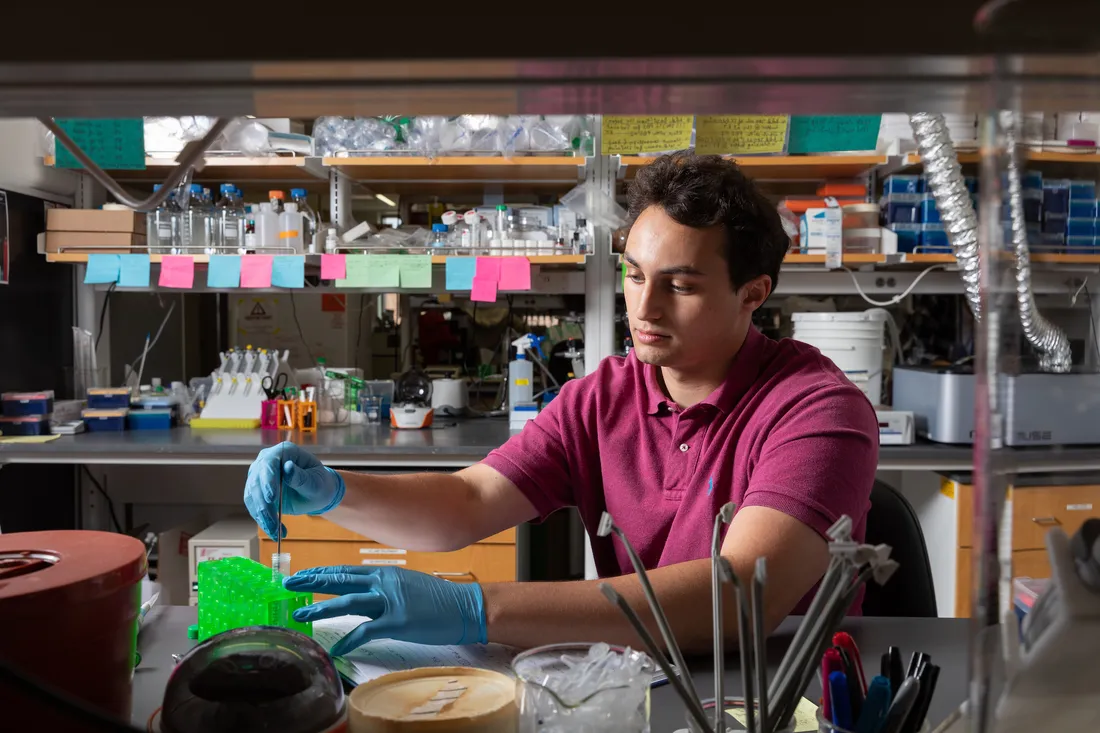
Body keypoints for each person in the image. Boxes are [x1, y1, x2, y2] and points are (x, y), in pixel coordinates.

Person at [244, 152, 878, 657]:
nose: (645, 307)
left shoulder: (817, 409)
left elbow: (741, 594)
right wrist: (335, 492)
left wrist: (478, 610)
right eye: (633, 275)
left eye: (680, 285)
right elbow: (468, 502)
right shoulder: (601, 399)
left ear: (753, 292)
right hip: (636, 674)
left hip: (781, 695)